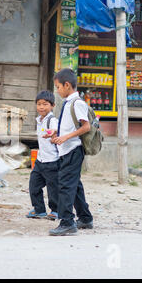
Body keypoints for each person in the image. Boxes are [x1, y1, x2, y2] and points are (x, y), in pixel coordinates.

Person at [46, 68, 94, 236]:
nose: (57, 90)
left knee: (65, 185)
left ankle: (67, 222)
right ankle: (85, 218)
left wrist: (66, 137)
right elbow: (69, 125)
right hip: (67, 149)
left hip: (73, 149)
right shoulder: (68, 102)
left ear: (67, 85)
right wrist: (57, 134)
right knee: (75, 185)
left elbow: (86, 126)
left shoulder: (77, 103)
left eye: (58, 87)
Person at [26, 90, 59, 221]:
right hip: (40, 160)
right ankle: (39, 210)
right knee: (33, 185)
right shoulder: (39, 120)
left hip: (52, 161)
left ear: (52, 106)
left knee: (53, 189)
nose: (41, 107)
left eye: (45, 104)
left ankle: (56, 210)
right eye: (39, 104)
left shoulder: (52, 120)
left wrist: (53, 133)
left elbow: (56, 129)